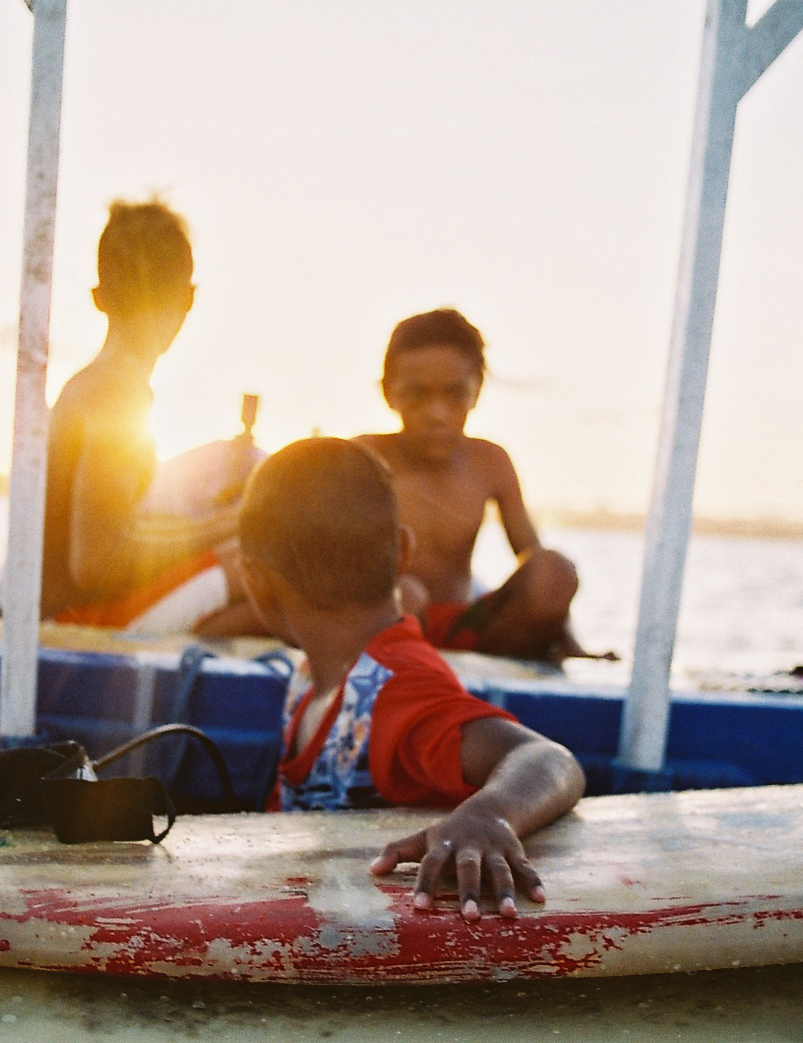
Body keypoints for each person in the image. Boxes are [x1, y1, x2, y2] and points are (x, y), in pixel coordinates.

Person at [238, 437, 585, 921]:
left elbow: (548, 759)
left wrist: (490, 814)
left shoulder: (396, 689)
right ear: (404, 551)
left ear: (254, 580)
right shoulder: (308, 679)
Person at [37, 198, 262, 635]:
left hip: (52, 612)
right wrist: (232, 523)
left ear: (99, 298)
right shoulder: (117, 392)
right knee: (255, 561)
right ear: (188, 298)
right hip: (73, 624)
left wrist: (211, 524)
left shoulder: (87, 385)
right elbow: (97, 564)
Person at [356, 309, 591, 661]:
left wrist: (568, 638)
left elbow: (531, 553)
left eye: (455, 395)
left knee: (554, 572)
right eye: (417, 395)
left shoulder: (490, 462)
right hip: (389, 617)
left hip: (467, 625)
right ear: (389, 393)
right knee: (406, 594)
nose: (437, 413)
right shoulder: (364, 457)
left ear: (477, 391)